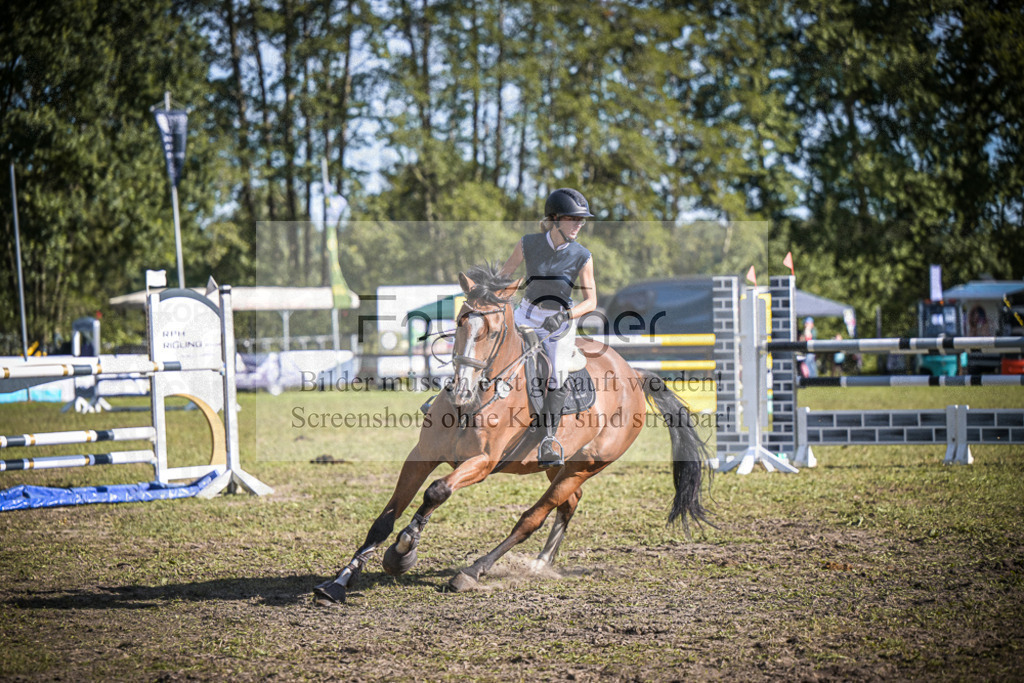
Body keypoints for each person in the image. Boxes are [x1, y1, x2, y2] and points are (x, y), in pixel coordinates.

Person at [499, 188, 598, 468]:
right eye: (573, 219)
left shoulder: (583, 255)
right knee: (491, 346)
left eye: (582, 221)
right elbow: (505, 275)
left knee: (556, 371)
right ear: (554, 219)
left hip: (559, 322)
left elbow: (591, 302)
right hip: (525, 314)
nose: (579, 225)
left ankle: (549, 440)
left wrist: (566, 316)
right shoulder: (527, 243)